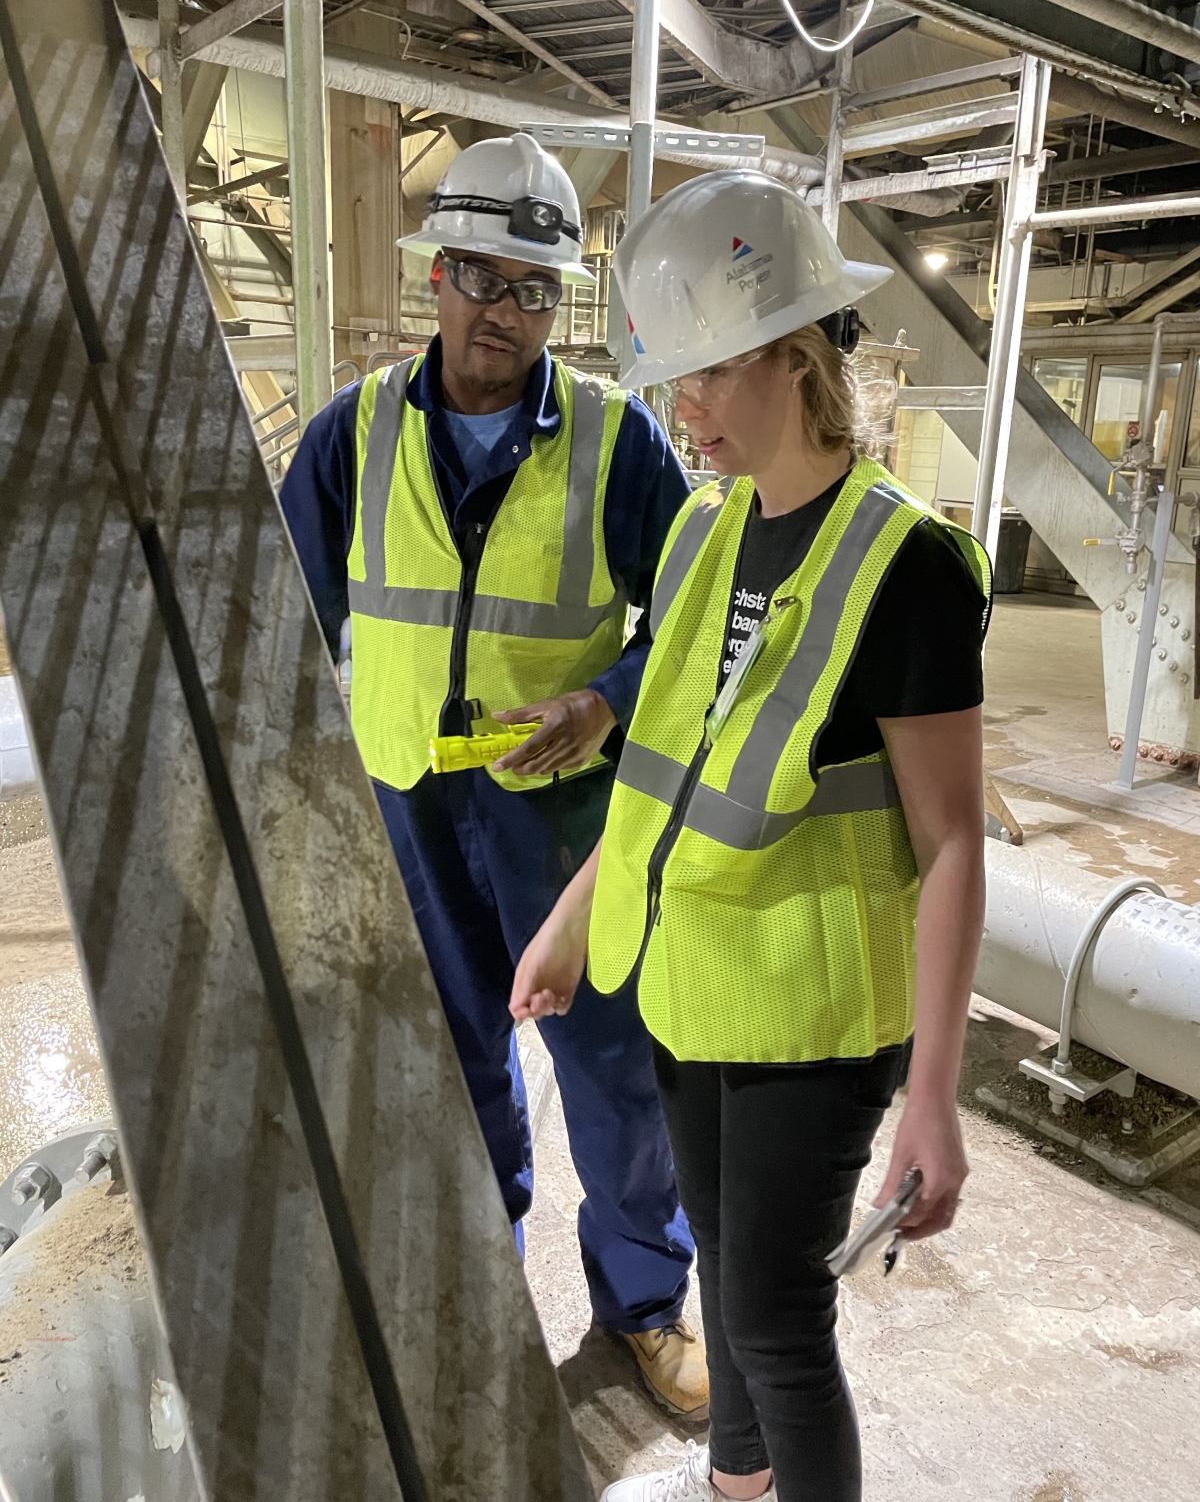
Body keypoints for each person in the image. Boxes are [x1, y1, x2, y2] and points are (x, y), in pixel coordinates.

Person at [510, 170, 991, 1502]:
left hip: (814, 1029)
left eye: (707, 374)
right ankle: (736, 1491)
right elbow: (664, 781)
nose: (684, 409)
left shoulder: (905, 568)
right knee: (732, 1289)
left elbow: (954, 844)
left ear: (793, 357)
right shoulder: (702, 539)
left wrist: (937, 1098)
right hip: (688, 994)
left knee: (779, 1324)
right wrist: (572, 921)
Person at [280, 133, 707, 1417]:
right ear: (435, 277)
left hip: (565, 822)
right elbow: (275, 618)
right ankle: (479, 1281)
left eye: (534, 287)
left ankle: (642, 1305)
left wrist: (605, 702)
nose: (505, 312)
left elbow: (693, 626)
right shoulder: (351, 436)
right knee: (450, 1062)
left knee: (614, 1070)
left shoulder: (617, 440)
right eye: (481, 275)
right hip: (406, 805)